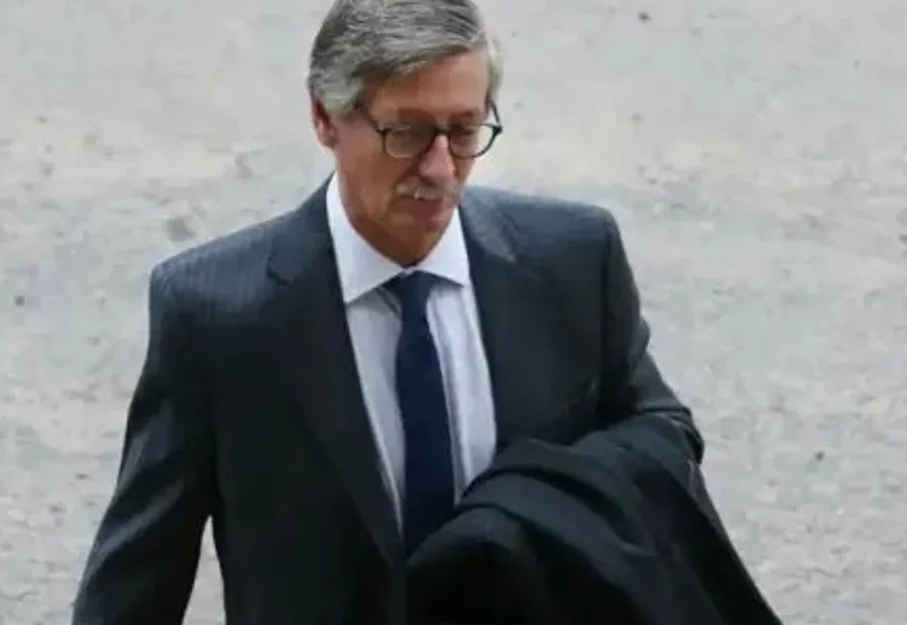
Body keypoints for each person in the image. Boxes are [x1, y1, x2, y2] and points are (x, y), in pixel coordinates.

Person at [72, 1, 780, 624]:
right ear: (324, 117)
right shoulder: (217, 316)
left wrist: (522, 513)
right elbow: (139, 574)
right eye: (406, 133)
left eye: (464, 130)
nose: (440, 169)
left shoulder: (572, 262)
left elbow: (664, 435)